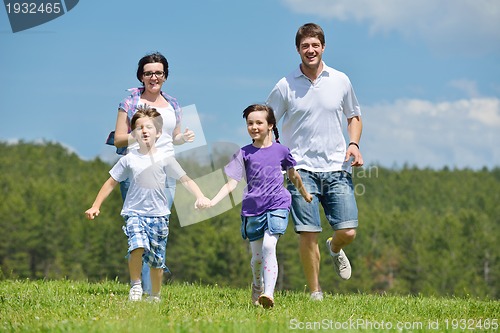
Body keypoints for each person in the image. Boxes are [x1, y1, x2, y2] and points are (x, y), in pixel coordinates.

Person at [266, 23, 364, 301]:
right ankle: (315, 292)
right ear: (298, 49)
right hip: (300, 169)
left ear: (323, 47)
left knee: (348, 231)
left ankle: (334, 247)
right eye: (305, 46)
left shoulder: (340, 80)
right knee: (308, 233)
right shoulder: (285, 85)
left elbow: (354, 116)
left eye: (315, 45)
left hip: (336, 167)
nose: (310, 50)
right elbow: (267, 120)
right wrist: (276, 155)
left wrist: (354, 144)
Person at [86, 107, 210, 302]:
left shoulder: (166, 158)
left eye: (149, 127)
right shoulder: (129, 159)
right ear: (133, 134)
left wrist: (200, 196)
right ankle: (136, 285)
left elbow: (185, 179)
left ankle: (155, 294)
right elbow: (111, 182)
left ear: (159, 132)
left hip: (159, 215)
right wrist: (96, 205)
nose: (143, 131)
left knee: (156, 260)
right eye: (138, 128)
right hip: (134, 212)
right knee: (136, 246)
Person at [208, 104, 312, 308]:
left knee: (268, 246)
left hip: (277, 204)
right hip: (252, 208)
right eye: (250, 123)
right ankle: (257, 285)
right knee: (256, 258)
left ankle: (268, 294)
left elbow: (293, 175)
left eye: (259, 122)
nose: (254, 127)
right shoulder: (244, 153)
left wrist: (305, 194)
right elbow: (231, 182)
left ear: (270, 125)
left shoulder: (282, 151)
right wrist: (213, 201)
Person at [107, 51, 194, 294]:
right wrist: (141, 132)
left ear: (165, 76)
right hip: (136, 170)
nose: (153, 77)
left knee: (159, 229)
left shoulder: (174, 103)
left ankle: (151, 290)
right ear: (141, 76)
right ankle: (139, 286)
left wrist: (183, 138)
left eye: (158, 72)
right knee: (139, 230)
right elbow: (118, 140)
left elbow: (172, 137)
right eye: (148, 73)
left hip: (165, 170)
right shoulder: (130, 102)